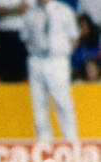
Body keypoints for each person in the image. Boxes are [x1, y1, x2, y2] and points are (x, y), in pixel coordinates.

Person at [22, 0, 77, 138]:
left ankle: (70, 139)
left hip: (57, 60)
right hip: (37, 59)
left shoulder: (64, 11)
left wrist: (62, 53)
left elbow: (74, 37)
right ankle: (43, 141)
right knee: (38, 103)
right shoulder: (30, 14)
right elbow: (25, 38)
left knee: (62, 101)